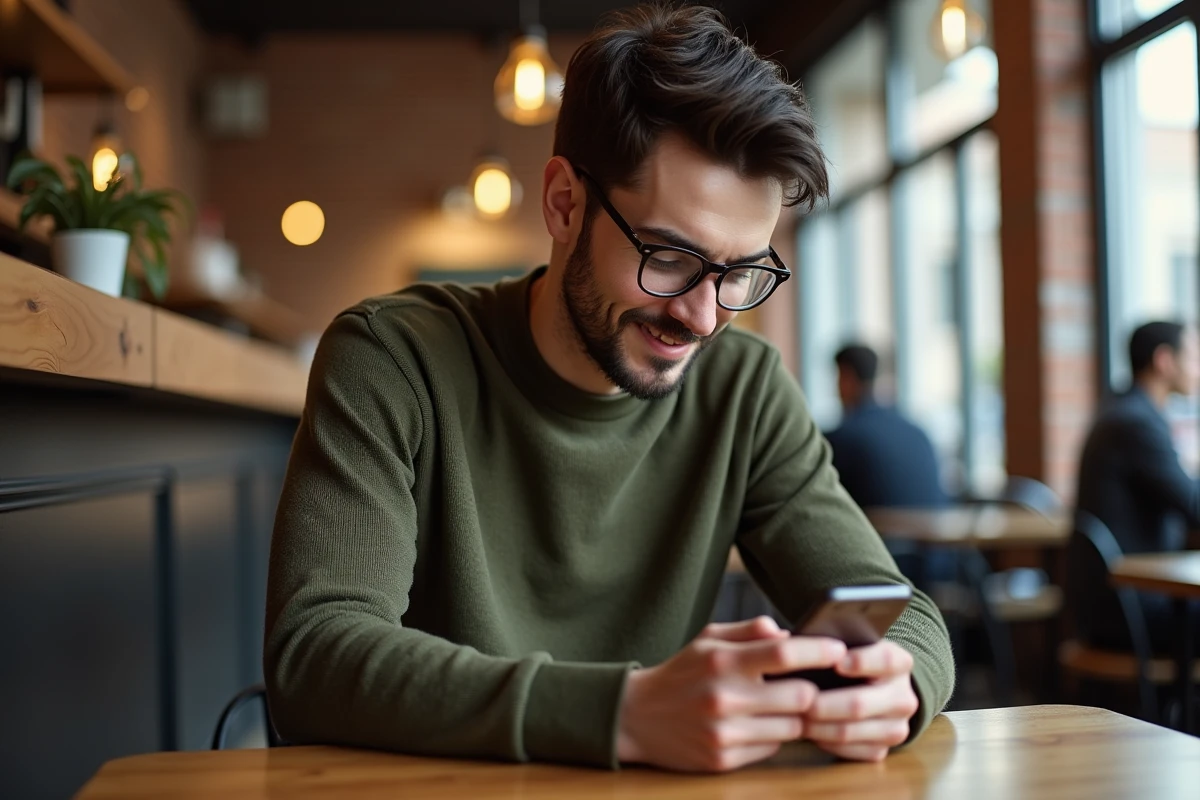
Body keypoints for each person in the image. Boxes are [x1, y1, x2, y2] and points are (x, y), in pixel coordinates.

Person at [264, 5, 953, 773]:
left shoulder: (745, 390)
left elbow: (899, 613)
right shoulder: (393, 357)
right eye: (668, 256)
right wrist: (623, 713)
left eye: (740, 274)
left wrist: (895, 688)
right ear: (564, 203)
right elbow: (315, 655)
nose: (702, 316)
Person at [1073, 321, 1200, 651]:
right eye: (1193, 355)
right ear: (1164, 360)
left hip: (1122, 603)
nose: (1198, 366)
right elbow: (1193, 505)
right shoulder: (1136, 423)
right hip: (1133, 613)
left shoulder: (1123, 410)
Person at [825, 344, 947, 509]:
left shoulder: (845, 438)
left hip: (880, 533)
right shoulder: (917, 432)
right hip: (929, 533)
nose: (835, 390)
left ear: (847, 378)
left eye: (838, 378)